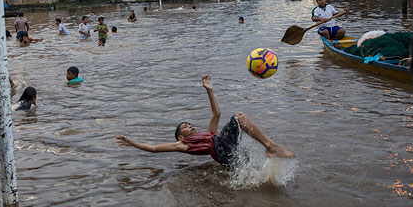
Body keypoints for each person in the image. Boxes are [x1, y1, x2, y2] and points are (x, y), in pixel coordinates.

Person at [115, 74, 296, 167]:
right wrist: (131, 142)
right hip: (220, 150)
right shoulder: (182, 145)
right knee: (239, 117)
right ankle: (270, 146)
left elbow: (216, 114)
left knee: (250, 169)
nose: (190, 125)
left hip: (226, 154)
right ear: (180, 136)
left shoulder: (209, 134)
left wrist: (209, 89)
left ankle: (271, 163)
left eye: (190, 124)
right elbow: (153, 149)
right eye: (185, 126)